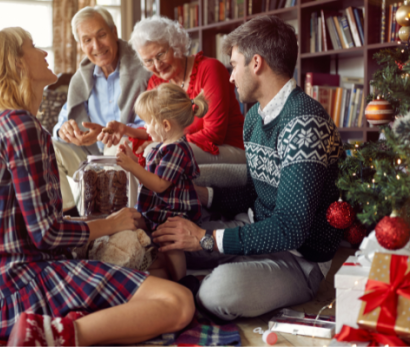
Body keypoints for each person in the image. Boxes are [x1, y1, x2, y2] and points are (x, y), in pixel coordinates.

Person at [0, 27, 194, 345]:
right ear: (16, 65)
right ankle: (51, 334)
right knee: (179, 303)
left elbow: (38, 229)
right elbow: (47, 233)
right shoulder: (21, 125)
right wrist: (111, 223)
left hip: (15, 279)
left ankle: (66, 322)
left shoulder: (4, 124)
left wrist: (99, 227)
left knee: (155, 276)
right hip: (29, 282)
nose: (43, 52)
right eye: (32, 46)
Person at [151, 15, 345, 322]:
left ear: (256, 63)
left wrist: (204, 238)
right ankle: (212, 275)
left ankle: (207, 283)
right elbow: (254, 192)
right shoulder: (255, 117)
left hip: (299, 258)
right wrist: (203, 195)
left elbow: (291, 229)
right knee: (166, 245)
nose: (230, 77)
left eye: (233, 65)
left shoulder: (304, 122)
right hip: (254, 226)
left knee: (218, 292)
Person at [99, 16, 246, 165]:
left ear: (175, 45)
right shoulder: (156, 82)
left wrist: (161, 145)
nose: (157, 65)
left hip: (225, 148)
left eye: (160, 55)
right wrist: (124, 129)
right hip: (182, 145)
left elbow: (214, 134)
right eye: (148, 61)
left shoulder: (210, 69)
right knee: (117, 149)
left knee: (158, 153)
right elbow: (156, 129)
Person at [51, 6, 152, 216]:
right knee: (48, 147)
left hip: (128, 149)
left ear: (114, 32)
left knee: (117, 148)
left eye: (101, 35)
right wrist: (64, 130)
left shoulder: (143, 68)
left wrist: (118, 131)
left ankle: (118, 222)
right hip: (90, 155)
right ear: (80, 45)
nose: (96, 46)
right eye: (87, 40)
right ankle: (71, 218)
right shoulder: (82, 78)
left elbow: (156, 123)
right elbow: (64, 119)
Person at [116, 83, 208, 281]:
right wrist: (133, 160)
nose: (145, 128)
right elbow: (151, 173)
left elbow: (159, 184)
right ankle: (157, 269)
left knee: (170, 244)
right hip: (158, 209)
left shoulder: (177, 149)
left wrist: (134, 168)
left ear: (165, 125)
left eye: (147, 122)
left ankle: (182, 281)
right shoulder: (162, 146)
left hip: (172, 212)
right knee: (139, 226)